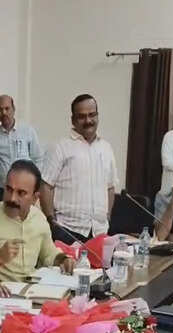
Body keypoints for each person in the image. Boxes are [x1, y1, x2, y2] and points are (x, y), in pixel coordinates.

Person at [0, 160, 75, 282]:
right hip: (0, 291)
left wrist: (63, 260)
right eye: (9, 189)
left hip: (33, 289)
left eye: (21, 193)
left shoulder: (38, 218)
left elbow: (49, 254)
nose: (12, 198)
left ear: (35, 198)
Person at [40, 94, 118, 244]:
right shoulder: (60, 147)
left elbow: (110, 187)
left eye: (92, 115)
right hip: (67, 230)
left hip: (99, 231)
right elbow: (46, 186)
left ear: (98, 116)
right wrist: (51, 221)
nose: (88, 121)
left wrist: (107, 216)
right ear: (73, 120)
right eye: (82, 116)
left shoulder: (106, 148)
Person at [0, 95, 44, 201]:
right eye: (0, 110)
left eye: (7, 108)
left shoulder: (27, 131)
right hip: (2, 189)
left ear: (13, 109)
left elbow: (38, 159)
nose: (4, 113)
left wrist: (35, 184)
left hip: (24, 189)